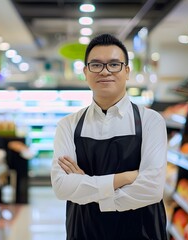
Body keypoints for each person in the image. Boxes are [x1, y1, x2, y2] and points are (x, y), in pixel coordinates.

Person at [50, 33, 168, 239]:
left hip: (142, 230)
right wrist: (125, 178)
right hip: (84, 231)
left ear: (127, 71)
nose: (105, 72)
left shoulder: (151, 121)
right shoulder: (68, 125)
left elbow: (152, 188)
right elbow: (62, 187)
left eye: (114, 65)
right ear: (86, 72)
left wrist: (88, 189)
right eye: (96, 65)